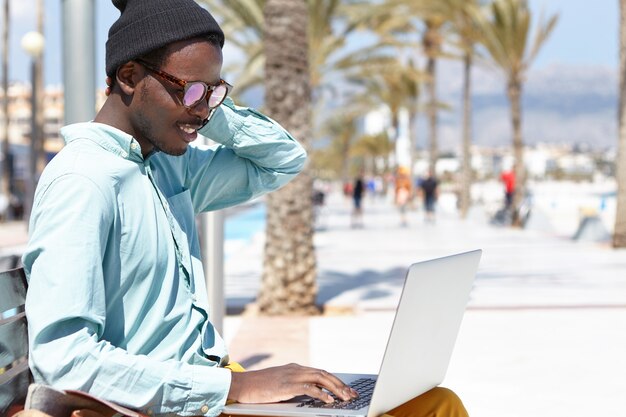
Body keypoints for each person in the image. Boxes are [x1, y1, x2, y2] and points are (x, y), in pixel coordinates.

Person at [21, 1, 469, 416]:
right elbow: (63, 359)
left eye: (213, 93)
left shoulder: (168, 166)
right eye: (190, 90)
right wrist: (234, 388)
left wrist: (203, 101)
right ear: (130, 77)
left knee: (434, 400)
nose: (201, 113)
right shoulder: (82, 182)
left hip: (215, 389)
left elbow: (284, 159)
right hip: (176, 403)